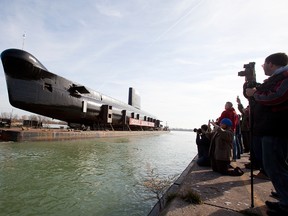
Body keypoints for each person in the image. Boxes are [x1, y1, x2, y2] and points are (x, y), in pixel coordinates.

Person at [246, 52, 288, 216]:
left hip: (276, 128)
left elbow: (277, 97)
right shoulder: (276, 79)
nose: (263, 67)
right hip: (272, 128)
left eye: (264, 64)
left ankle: (286, 204)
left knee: (275, 166)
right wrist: (251, 89)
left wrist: (254, 94)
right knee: (276, 165)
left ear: (271, 63)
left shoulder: (285, 77)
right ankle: (284, 198)